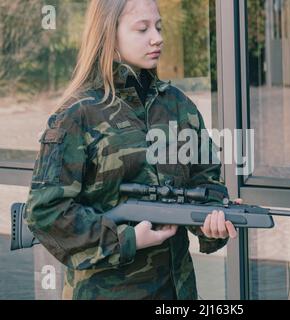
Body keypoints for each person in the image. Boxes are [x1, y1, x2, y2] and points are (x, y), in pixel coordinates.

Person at [25, 0, 240, 300]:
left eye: (159, 26)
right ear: (108, 36)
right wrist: (127, 239)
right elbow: (45, 213)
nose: (158, 37)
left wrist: (212, 223)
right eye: (142, 29)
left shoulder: (179, 106)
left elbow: (206, 182)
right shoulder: (77, 115)